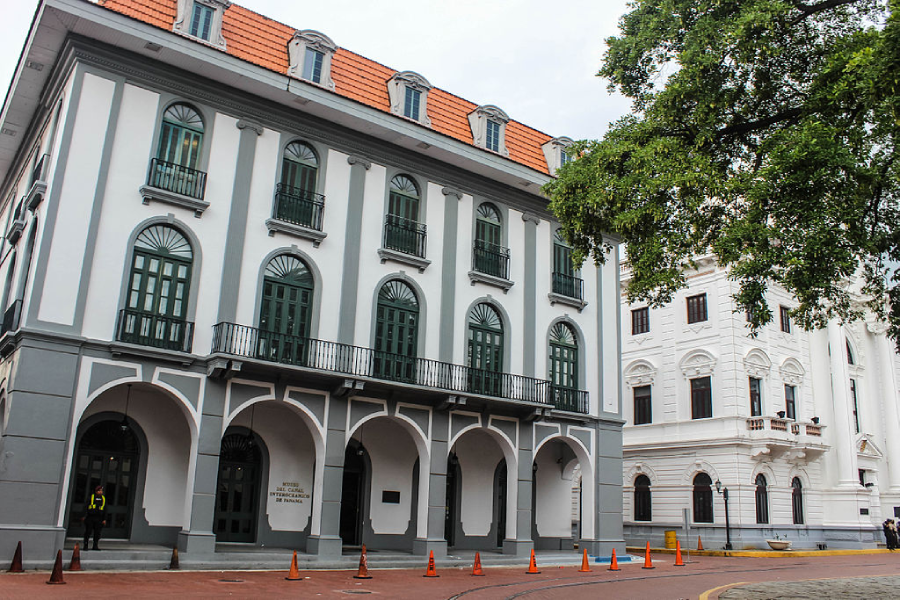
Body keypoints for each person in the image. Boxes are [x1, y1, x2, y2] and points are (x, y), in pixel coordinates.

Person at [82, 485, 107, 551]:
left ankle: (95, 546)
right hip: (90, 517)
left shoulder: (103, 499)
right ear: (96, 491)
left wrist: (104, 519)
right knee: (88, 532)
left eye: (101, 490)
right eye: (99, 490)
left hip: (99, 518)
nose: (100, 492)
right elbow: (85, 507)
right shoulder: (91, 498)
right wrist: (84, 516)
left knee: (97, 533)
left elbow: (105, 509)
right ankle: (85, 545)